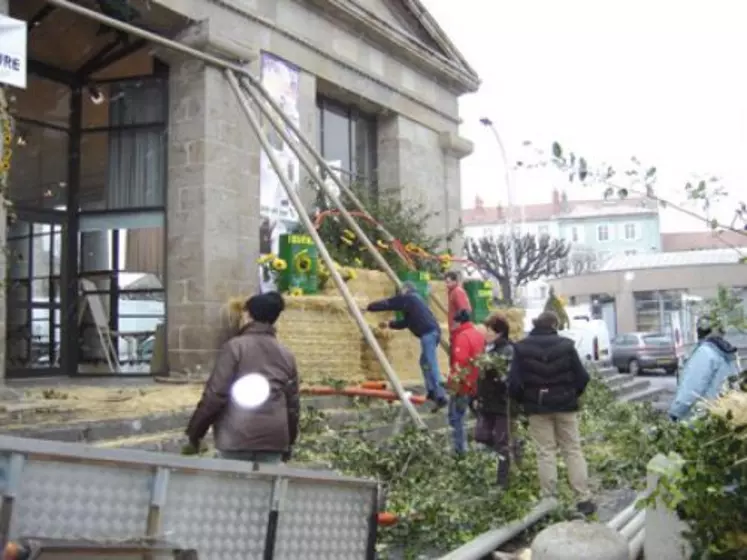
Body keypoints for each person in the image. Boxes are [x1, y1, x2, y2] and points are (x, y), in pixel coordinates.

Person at [185, 291, 300, 464]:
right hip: (274, 441)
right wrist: (289, 442)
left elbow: (215, 395)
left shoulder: (235, 348)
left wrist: (195, 433)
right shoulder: (286, 355)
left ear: (248, 315)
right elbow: (292, 406)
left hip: (236, 437)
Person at [508, 311, 596, 516]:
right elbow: (583, 377)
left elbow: (514, 382)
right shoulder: (567, 345)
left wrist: (524, 401)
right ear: (554, 325)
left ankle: (550, 500)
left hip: (537, 408)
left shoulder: (521, 347)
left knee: (545, 452)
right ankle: (583, 498)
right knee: (572, 450)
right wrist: (572, 394)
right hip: (566, 405)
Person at [364, 282, 448, 411]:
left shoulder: (409, 298)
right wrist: (389, 324)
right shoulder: (415, 303)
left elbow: (388, 303)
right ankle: (432, 391)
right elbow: (406, 323)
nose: (399, 293)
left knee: (431, 363)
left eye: (401, 290)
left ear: (406, 290)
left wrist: (369, 307)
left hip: (428, 334)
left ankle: (440, 393)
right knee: (424, 362)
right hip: (433, 333)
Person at [475, 312, 522, 488]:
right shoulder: (488, 350)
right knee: (481, 435)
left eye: (488, 330)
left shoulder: (507, 350)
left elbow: (509, 378)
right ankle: (515, 449)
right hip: (487, 403)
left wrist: (497, 374)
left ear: (499, 332)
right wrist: (477, 395)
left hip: (502, 404)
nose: (485, 333)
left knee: (502, 442)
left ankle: (503, 481)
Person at [669, 316, 739, 422]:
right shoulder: (726, 354)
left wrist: (675, 413)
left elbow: (692, 389)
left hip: (701, 419)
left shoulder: (705, 353)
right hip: (721, 415)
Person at [447, 309, 486, 455]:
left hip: (464, 385)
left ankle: (460, 450)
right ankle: (483, 447)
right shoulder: (478, 335)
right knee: (478, 416)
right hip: (477, 383)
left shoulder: (462, 337)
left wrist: (454, 385)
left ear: (458, 322)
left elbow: (460, 363)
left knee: (456, 417)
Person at [444, 271, 472, 340]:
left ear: (455, 281)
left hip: (458, 330)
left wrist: (456, 327)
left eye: (448, 282)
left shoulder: (457, 292)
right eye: (446, 282)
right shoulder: (452, 292)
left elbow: (464, 311)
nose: (446, 284)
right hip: (455, 329)